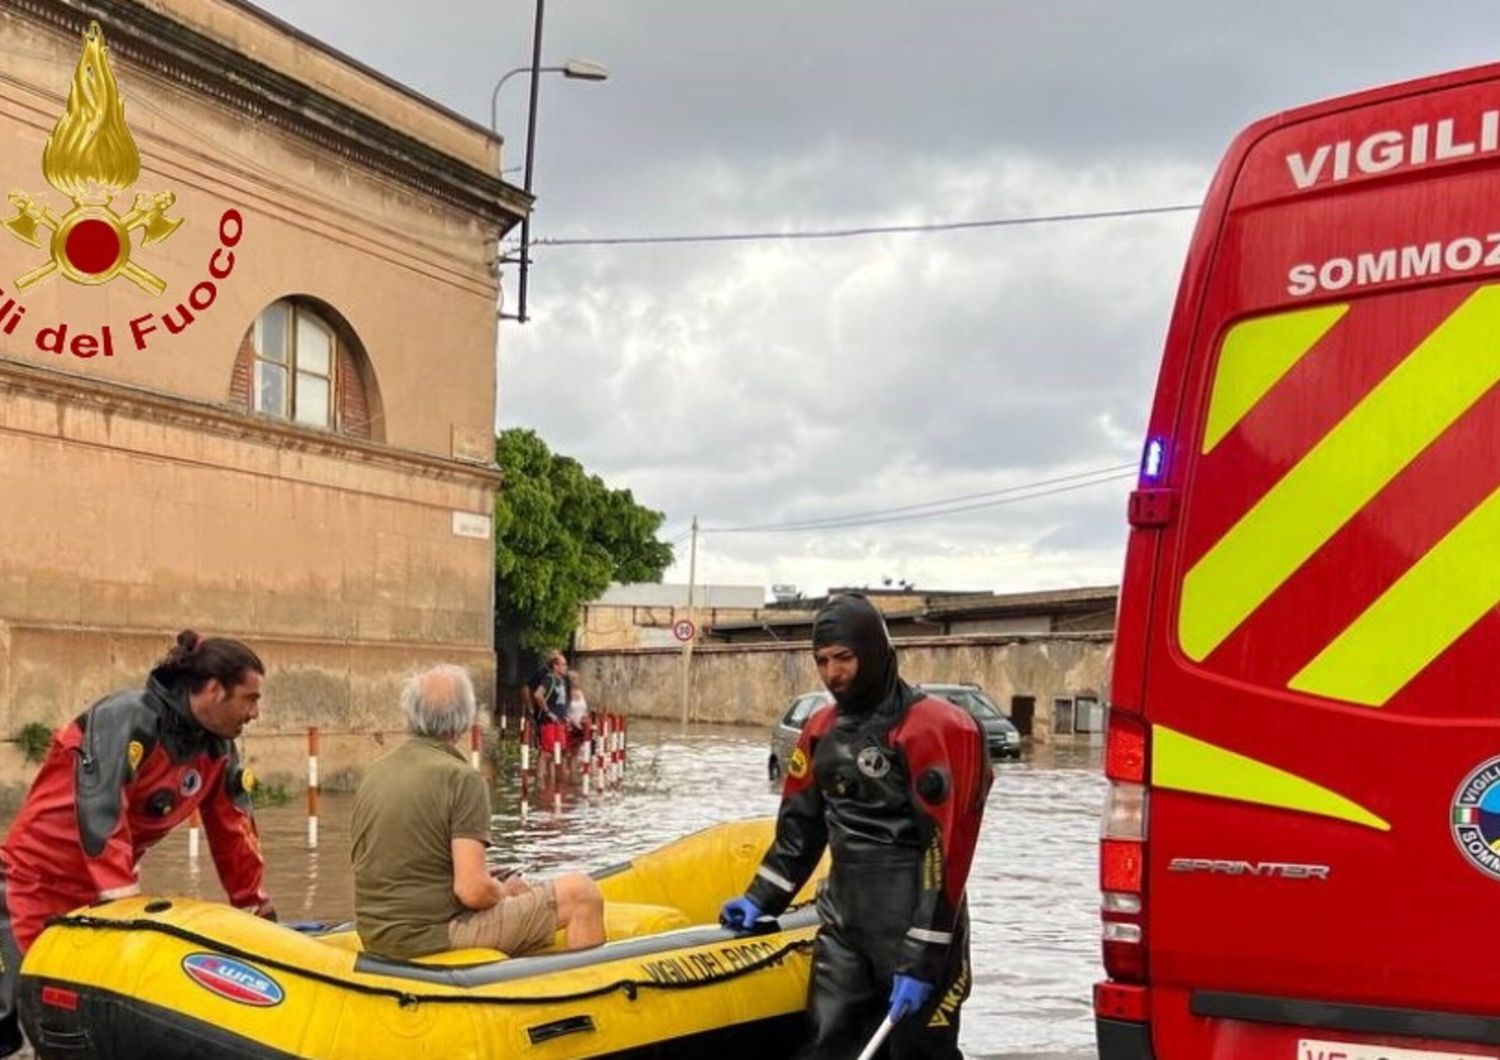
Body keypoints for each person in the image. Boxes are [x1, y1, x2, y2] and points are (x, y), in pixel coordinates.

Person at [719, 594, 992, 1059]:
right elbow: (800, 830)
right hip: (845, 923)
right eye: (822, 661)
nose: (832, 673)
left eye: (843, 658)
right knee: (826, 1043)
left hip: (916, 920)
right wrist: (760, 898)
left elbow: (945, 848)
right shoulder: (821, 730)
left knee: (919, 1053)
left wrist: (925, 952)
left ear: (874, 650)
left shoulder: (936, 727)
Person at [0, 630, 273, 1056]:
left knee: (78, 1026)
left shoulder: (218, 750)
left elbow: (234, 830)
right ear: (215, 690)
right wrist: (121, 897)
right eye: (250, 699)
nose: (256, 713)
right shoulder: (126, 718)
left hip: (97, 898)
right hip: (30, 886)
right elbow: (100, 807)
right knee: (11, 1022)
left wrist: (255, 907)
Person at [351, 664, 604, 960]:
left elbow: (393, 860)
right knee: (582, 894)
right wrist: (502, 890)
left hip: (374, 933)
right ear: (464, 720)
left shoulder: (375, 772)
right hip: (430, 935)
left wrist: (483, 876)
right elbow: (472, 891)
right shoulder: (462, 779)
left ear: (410, 713)